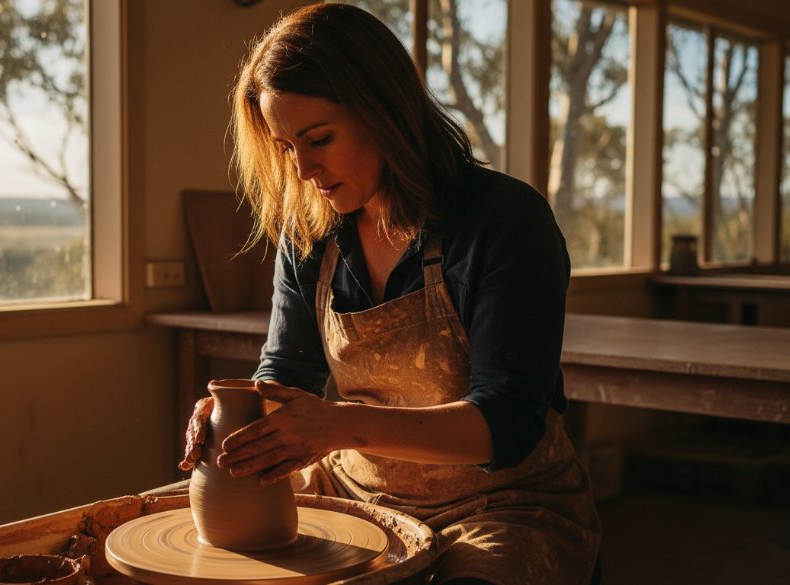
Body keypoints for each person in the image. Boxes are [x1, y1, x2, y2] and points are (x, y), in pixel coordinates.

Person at [177, 4, 601, 584]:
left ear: (384, 111)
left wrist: (337, 425)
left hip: (503, 505)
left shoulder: (503, 221)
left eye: (319, 138)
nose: (303, 169)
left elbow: (507, 423)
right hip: (351, 487)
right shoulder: (311, 233)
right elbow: (288, 372)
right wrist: (239, 415)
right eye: (285, 147)